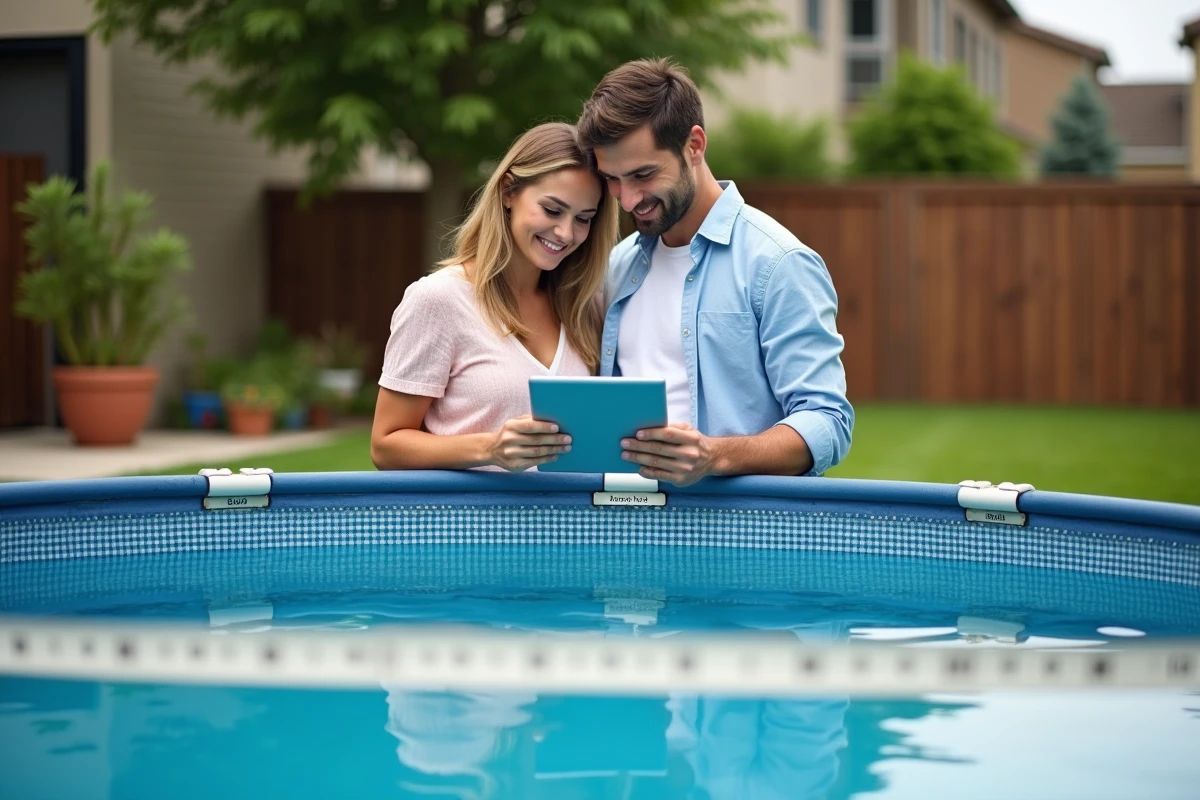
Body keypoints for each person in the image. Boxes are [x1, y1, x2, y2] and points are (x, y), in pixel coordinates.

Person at [576, 58, 854, 486]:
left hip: (739, 539)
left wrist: (714, 455)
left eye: (643, 175)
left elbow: (827, 422)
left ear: (695, 145)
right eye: (612, 179)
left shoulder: (778, 263)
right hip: (626, 530)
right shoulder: (618, 264)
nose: (628, 200)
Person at [371, 122, 620, 471]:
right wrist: (490, 448)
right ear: (508, 192)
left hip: (569, 524)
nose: (566, 232)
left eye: (584, 218)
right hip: (471, 523)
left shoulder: (584, 306)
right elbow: (386, 447)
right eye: (551, 210)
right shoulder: (438, 299)